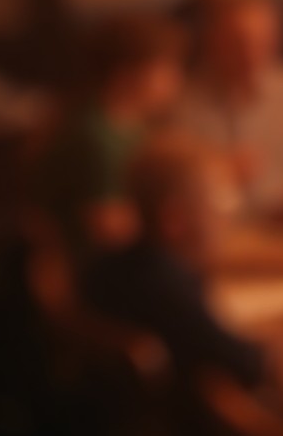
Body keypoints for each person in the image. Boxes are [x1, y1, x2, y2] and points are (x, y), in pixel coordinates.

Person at [81, 134, 265, 387]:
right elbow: (248, 364)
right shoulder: (171, 289)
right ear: (174, 219)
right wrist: (281, 340)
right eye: (219, 203)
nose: (227, 217)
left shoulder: (109, 265)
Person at [37, 14, 186, 259]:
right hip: (93, 267)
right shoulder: (96, 137)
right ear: (124, 74)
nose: (175, 79)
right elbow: (107, 227)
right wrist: (181, 216)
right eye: (164, 68)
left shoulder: (131, 125)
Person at [176, 0, 283, 222]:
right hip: (222, 230)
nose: (250, 54)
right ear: (212, 40)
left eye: (263, 42)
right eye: (237, 43)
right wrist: (217, 176)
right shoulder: (182, 104)